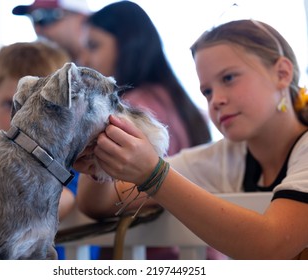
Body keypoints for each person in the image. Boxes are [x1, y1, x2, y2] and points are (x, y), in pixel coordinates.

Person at [74, 19, 308, 259]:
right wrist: (100, 158)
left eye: (228, 78)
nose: (216, 99)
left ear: (282, 73)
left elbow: (273, 245)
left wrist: (154, 176)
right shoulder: (224, 158)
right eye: (207, 91)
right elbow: (100, 204)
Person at [77, 1, 212, 259]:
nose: (84, 59)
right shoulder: (175, 101)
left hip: (154, 255)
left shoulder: (132, 109)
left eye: (93, 46)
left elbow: (106, 199)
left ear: (127, 43)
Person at [0, 41, 75, 222]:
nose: (19, 118)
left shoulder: (69, 163)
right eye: (9, 104)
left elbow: (63, 199)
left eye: (35, 106)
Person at [12, 0, 91, 63]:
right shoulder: (38, 69)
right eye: (33, 18)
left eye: (45, 16)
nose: (38, 29)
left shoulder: (100, 67)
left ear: (81, 19)